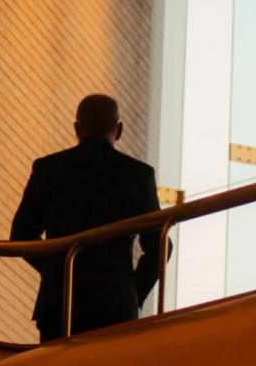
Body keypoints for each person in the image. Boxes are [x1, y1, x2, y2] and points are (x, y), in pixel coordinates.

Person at [11, 94, 169, 342]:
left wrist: (58, 268)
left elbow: (21, 235)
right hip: (115, 303)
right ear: (119, 130)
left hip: (61, 301)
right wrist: (132, 291)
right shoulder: (138, 175)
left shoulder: (49, 169)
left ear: (77, 128)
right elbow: (160, 246)